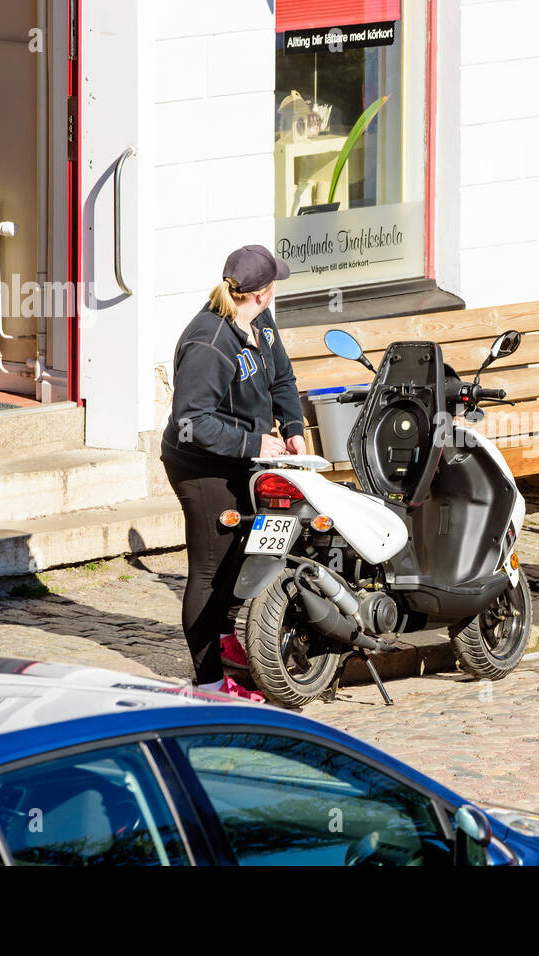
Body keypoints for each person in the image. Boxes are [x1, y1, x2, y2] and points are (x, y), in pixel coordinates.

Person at [160, 244, 306, 701]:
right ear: (262, 293)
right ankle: (208, 684)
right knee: (209, 570)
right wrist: (254, 442)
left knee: (240, 558)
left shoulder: (259, 321)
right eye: (274, 285)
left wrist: (295, 427)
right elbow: (192, 421)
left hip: (243, 461)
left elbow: (282, 378)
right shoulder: (210, 342)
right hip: (200, 467)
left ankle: (225, 639)